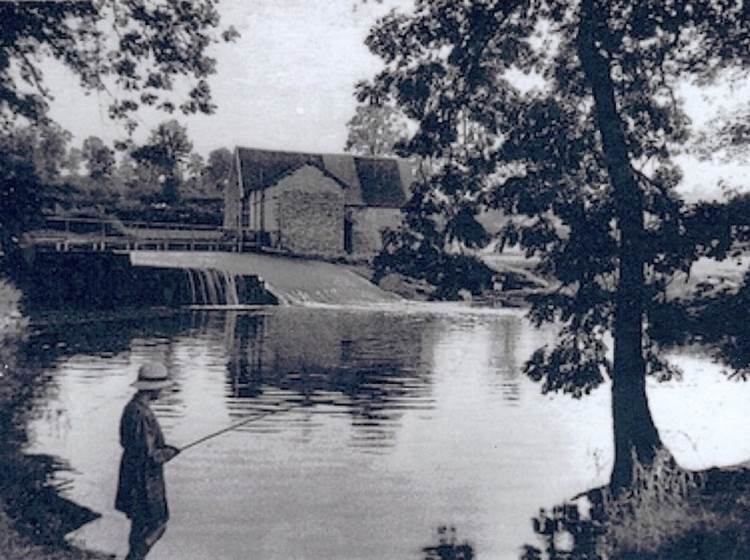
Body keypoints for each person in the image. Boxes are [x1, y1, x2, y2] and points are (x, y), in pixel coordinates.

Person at [115, 362, 180, 560]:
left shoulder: (131, 408)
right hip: (144, 478)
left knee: (139, 522)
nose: (162, 391)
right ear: (153, 389)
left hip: (131, 472)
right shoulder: (142, 414)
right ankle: (134, 558)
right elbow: (150, 455)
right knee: (158, 522)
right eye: (161, 387)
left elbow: (131, 444)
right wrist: (169, 452)